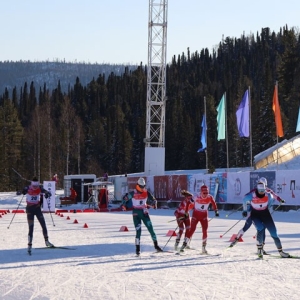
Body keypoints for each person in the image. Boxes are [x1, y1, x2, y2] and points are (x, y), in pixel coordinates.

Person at [230, 177, 285, 253]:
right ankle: (237, 238)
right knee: (247, 226)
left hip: (264, 212)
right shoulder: (255, 190)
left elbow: (275, 196)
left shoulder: (267, 191)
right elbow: (246, 196)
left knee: (262, 229)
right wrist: (248, 205)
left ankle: (261, 247)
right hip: (253, 212)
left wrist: (280, 200)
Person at [241, 181, 289, 258]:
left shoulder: (268, 195)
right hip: (255, 215)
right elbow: (244, 199)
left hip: (265, 214)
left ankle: (281, 252)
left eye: (263, 191)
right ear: (257, 189)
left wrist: (278, 201)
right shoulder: (252, 195)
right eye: (260, 191)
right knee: (260, 228)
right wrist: (245, 210)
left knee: (274, 233)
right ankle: (259, 250)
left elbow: (272, 200)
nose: (261, 192)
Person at [121, 177, 163, 255]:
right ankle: (137, 249)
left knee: (151, 229)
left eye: (144, 186)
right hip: (136, 214)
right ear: (138, 185)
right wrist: (124, 205)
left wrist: (154, 204)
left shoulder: (146, 192)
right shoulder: (133, 193)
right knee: (138, 231)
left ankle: (156, 246)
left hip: (144, 213)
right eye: (141, 187)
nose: (143, 188)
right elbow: (124, 199)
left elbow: (154, 199)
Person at [179, 185, 219, 254]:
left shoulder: (210, 197)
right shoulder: (196, 197)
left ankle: (203, 248)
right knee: (192, 230)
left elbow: (213, 203)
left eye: (207, 193)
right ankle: (184, 245)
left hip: (204, 216)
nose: (205, 195)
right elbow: (188, 203)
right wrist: (186, 212)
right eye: (204, 193)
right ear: (201, 192)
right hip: (196, 215)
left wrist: (216, 211)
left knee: (205, 230)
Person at [22, 177, 53, 254]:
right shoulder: (28, 188)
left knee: (43, 224)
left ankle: (47, 241)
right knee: (31, 228)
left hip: (37, 209)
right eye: (34, 185)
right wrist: (23, 191)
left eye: (36, 185)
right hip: (30, 209)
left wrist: (47, 194)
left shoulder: (40, 188)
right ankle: (29, 245)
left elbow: (48, 192)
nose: (35, 187)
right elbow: (22, 191)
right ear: (32, 183)